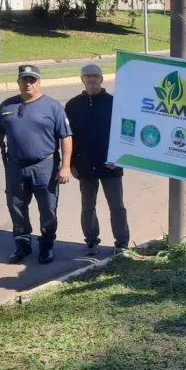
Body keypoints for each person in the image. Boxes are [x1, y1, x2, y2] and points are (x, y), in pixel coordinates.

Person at [0, 65, 72, 265]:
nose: (28, 84)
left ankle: (46, 245)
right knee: (16, 206)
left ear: (39, 82)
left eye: (32, 80)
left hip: (45, 165)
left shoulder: (52, 106)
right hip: (15, 167)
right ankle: (22, 243)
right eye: (24, 80)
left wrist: (66, 166)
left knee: (48, 208)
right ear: (18, 82)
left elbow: (66, 137)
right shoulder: (6, 106)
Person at [64, 64, 130, 257]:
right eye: (87, 76)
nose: (91, 79)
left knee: (117, 206)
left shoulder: (114, 102)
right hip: (84, 166)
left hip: (111, 164)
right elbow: (68, 137)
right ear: (82, 80)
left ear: (102, 79)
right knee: (87, 206)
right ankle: (92, 241)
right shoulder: (73, 105)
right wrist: (71, 164)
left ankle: (122, 242)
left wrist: (120, 157)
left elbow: (125, 132)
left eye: (95, 76)